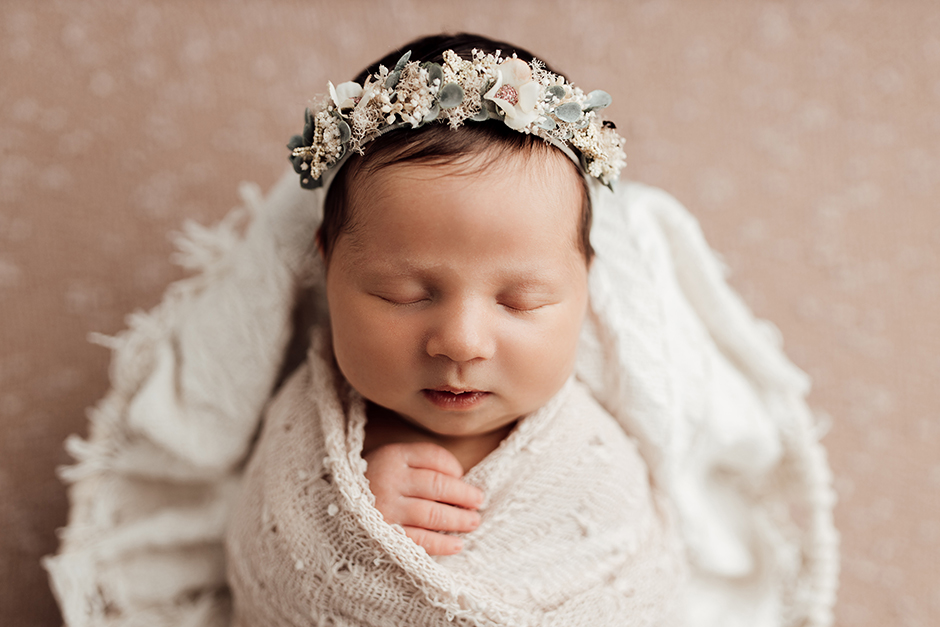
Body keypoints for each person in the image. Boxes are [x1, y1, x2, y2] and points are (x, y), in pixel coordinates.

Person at [44, 32, 839, 627]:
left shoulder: (598, 456)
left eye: (522, 299)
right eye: (402, 292)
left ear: (589, 289)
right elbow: (265, 565)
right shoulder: (305, 441)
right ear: (326, 269)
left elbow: (641, 588)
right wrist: (347, 515)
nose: (460, 339)